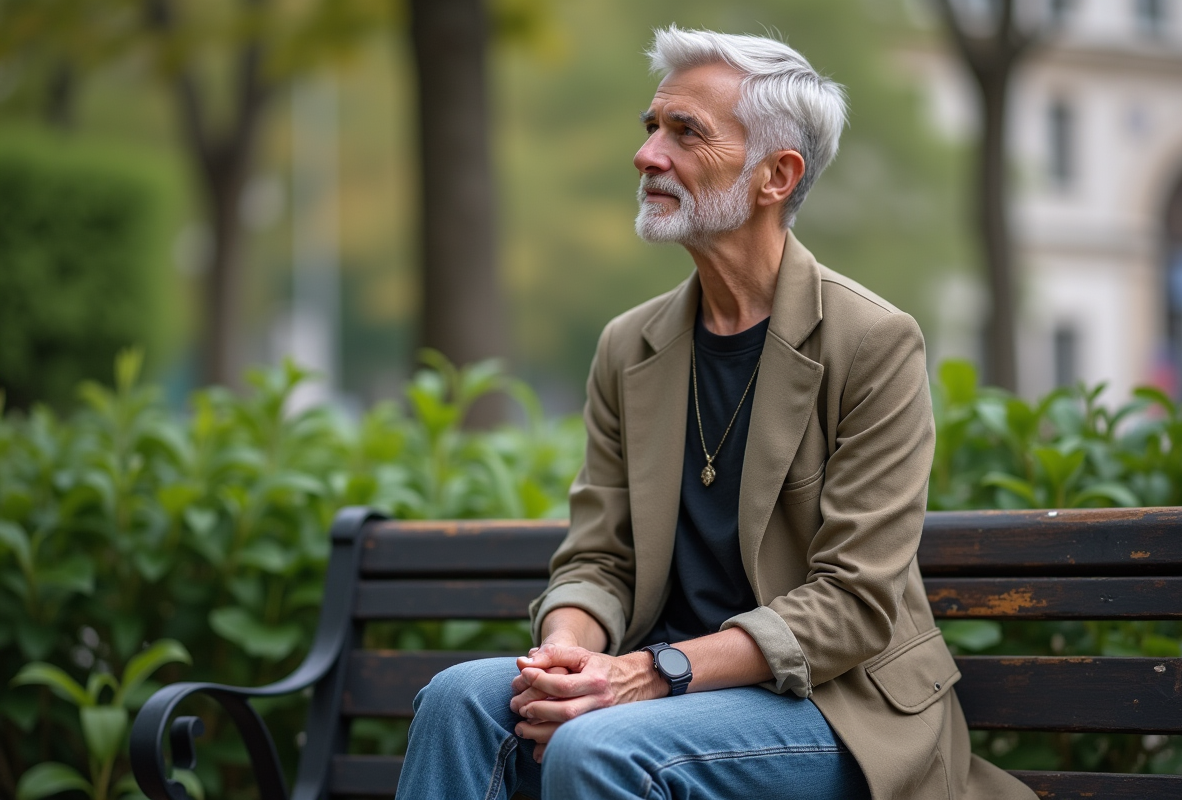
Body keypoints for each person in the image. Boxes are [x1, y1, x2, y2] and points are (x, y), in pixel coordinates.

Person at [394, 26, 1036, 800]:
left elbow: (852, 604)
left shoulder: (872, 342)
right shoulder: (629, 346)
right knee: (459, 700)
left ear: (776, 175)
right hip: (667, 693)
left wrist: (652, 673)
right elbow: (600, 557)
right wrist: (564, 659)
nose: (647, 155)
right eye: (651, 127)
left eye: (685, 132)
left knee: (599, 749)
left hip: (829, 705)